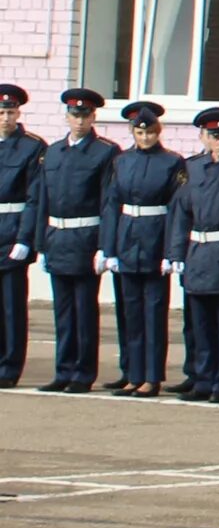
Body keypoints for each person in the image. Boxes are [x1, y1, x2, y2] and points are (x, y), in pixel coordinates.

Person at [166, 108, 219, 402]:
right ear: (204, 137)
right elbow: (181, 214)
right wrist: (175, 253)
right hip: (197, 253)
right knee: (198, 323)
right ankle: (202, 378)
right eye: (215, 136)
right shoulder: (193, 168)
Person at [102, 99, 185, 396]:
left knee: (153, 314)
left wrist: (170, 252)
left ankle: (152, 377)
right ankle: (133, 374)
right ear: (133, 133)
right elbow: (111, 205)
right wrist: (108, 248)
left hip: (154, 239)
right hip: (127, 240)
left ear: (158, 132)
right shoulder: (122, 161)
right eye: (140, 133)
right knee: (130, 313)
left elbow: (176, 209)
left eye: (150, 132)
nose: (145, 137)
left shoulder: (172, 161)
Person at [38, 88, 118, 393]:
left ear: (93, 117)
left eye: (85, 115)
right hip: (58, 236)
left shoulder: (105, 152)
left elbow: (107, 203)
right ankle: (63, 370)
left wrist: (104, 246)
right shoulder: (54, 152)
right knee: (63, 311)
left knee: (84, 311)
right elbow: (43, 198)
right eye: (75, 114)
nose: (80, 121)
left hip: (86, 238)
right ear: (67, 116)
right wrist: (41, 242)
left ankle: (83, 373)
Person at [0, 85, 36, 388]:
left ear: (18, 113)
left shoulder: (31, 147)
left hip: (11, 231)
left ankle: (9, 367)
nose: (5, 117)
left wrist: (25, 239)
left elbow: (34, 197)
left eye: (10, 112)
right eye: (1, 112)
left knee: (12, 306)